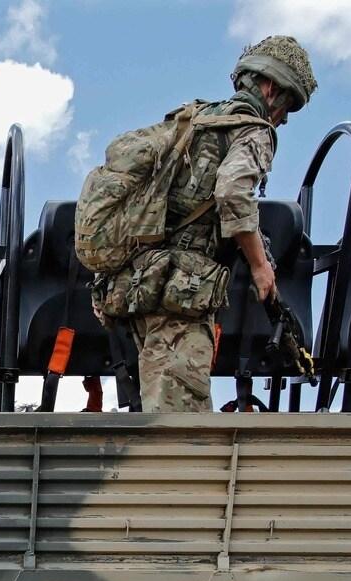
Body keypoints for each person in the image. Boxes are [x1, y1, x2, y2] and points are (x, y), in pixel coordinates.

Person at [101, 36, 318, 412]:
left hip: (141, 285)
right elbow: (233, 192)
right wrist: (260, 267)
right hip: (180, 298)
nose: (282, 120)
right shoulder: (253, 129)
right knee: (181, 427)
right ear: (270, 88)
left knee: (161, 412)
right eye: (287, 107)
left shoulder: (194, 121)